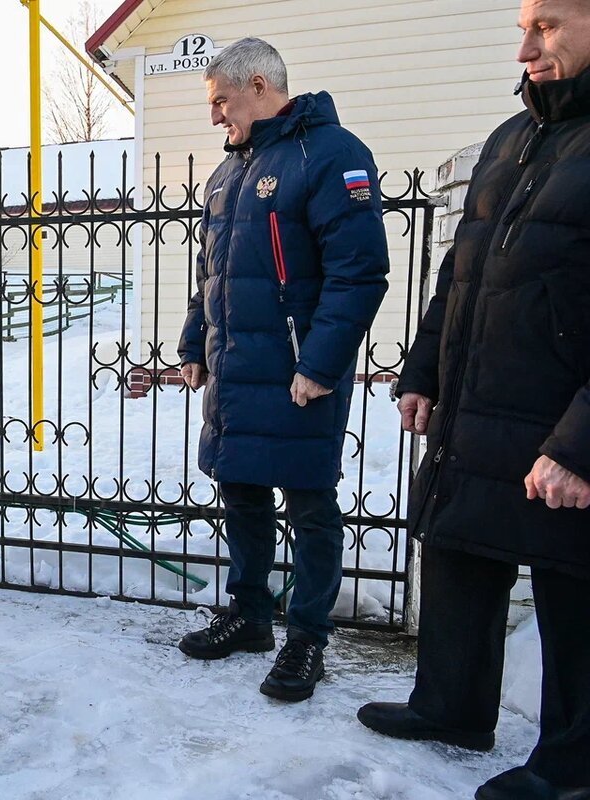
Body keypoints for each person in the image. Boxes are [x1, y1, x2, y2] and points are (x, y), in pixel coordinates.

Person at [357, 1, 590, 797]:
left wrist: (580, 444)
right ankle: (452, 705)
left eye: (549, 26)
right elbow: (461, 270)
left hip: (566, 420)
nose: (525, 46)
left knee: (574, 591)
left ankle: (573, 768)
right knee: (457, 545)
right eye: (523, 26)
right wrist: (422, 369)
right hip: (482, 400)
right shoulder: (512, 139)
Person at [175, 38, 390, 702]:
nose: (214, 117)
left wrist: (322, 365)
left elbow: (358, 275)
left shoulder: (331, 156)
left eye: (221, 100)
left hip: (299, 372)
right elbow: (211, 274)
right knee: (240, 491)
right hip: (238, 369)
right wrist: (193, 344)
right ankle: (248, 615)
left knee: (309, 506)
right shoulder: (228, 175)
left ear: (260, 85)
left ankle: (307, 637)